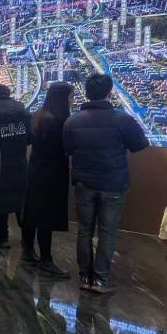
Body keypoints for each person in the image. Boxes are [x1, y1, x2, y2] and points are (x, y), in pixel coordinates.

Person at [63, 73, 148, 294]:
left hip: (84, 183)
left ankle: (84, 277)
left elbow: (67, 149)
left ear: (86, 93)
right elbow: (140, 144)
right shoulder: (122, 120)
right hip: (113, 184)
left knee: (84, 230)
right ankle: (100, 280)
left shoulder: (72, 121)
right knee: (107, 232)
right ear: (109, 93)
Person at [21, 82, 74, 278]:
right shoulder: (57, 120)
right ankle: (46, 260)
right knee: (46, 218)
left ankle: (28, 251)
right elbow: (65, 148)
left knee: (32, 213)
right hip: (52, 173)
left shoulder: (38, 115)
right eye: (70, 97)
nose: (72, 100)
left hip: (36, 169)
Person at [0, 84, 30, 249]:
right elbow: (30, 137)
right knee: (22, 204)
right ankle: (27, 240)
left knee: (0, 204)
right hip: (19, 163)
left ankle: (1, 237)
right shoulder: (23, 111)